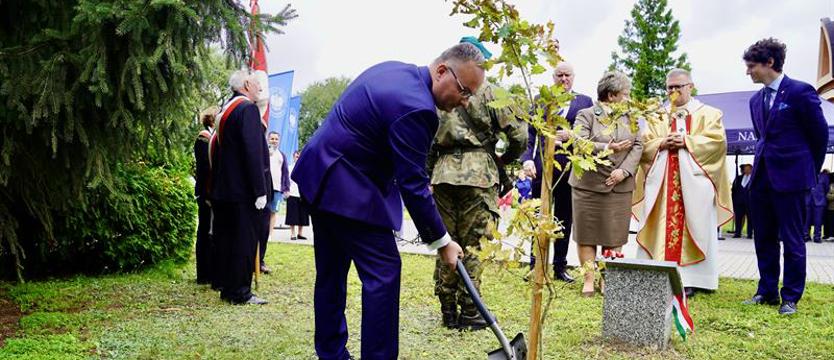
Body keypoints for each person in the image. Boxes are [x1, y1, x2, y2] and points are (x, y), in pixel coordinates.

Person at [292, 42, 482, 359]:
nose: (464, 102)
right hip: (345, 189)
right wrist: (443, 242)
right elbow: (412, 183)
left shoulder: (396, 70)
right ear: (441, 71)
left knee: (331, 274)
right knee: (383, 273)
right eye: (464, 91)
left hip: (321, 176)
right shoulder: (418, 107)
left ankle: (331, 353)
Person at [428, 46, 527, 329]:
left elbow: (427, 139)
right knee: (474, 244)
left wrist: (428, 174)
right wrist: (502, 160)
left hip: (442, 173)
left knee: (446, 241)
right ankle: (471, 311)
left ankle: (447, 307)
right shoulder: (493, 92)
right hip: (479, 175)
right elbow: (519, 136)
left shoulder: (437, 89)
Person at [741, 38, 828, 316]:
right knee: (763, 237)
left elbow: (819, 136)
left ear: (769, 63)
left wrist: (808, 171)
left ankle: (790, 297)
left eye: (751, 66)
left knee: (792, 239)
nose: (748, 72)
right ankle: (766, 290)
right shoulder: (755, 100)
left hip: (793, 179)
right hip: (762, 180)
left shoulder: (801, 92)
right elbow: (762, 137)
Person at [632, 68, 733, 297]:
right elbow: (644, 147)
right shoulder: (657, 116)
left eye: (679, 86)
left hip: (695, 185)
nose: (675, 91)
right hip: (662, 185)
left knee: (696, 226)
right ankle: (656, 273)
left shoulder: (709, 113)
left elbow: (717, 144)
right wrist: (661, 143)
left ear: (691, 86)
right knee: (659, 226)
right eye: (670, 87)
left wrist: (686, 141)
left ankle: (694, 278)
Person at [570, 71, 643, 297]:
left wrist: (624, 171)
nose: (628, 98)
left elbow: (638, 144)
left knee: (614, 235)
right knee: (587, 234)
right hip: (588, 185)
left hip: (619, 186)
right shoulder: (587, 114)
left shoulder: (631, 118)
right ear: (611, 96)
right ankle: (589, 280)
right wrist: (606, 148)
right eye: (626, 94)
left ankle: (607, 279)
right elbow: (578, 142)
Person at [520, 61, 594, 283]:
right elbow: (530, 134)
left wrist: (572, 135)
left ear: (574, 77)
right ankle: (535, 265)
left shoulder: (584, 102)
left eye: (567, 75)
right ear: (553, 77)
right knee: (539, 216)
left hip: (570, 168)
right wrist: (527, 161)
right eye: (559, 75)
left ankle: (560, 267)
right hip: (542, 167)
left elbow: (590, 135)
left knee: (564, 218)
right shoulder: (542, 100)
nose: (563, 79)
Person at [209, 69, 272, 305]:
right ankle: (240, 292)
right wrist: (259, 190)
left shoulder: (227, 109)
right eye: (257, 85)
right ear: (246, 84)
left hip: (226, 187)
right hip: (243, 190)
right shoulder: (247, 109)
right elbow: (252, 152)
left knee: (228, 240)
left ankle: (228, 286)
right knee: (244, 241)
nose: (260, 89)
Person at [194, 107, 217, 286]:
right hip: (206, 191)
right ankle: (204, 274)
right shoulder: (204, 138)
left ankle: (210, 270)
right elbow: (205, 167)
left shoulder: (211, 137)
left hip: (210, 191)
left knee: (210, 231)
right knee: (205, 231)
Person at [261, 131, 289, 274]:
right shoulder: (264, 152)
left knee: (273, 212)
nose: (273, 141)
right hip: (264, 188)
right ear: (268, 139)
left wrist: (286, 188)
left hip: (277, 188)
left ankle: (270, 234)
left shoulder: (281, 155)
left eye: (276, 139)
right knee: (263, 215)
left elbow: (285, 172)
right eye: (271, 138)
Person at [285, 151, 309, 240]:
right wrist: (286, 190)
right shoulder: (290, 168)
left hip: (303, 194)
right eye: (296, 156)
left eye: (299, 156)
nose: (297, 158)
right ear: (293, 157)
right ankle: (292, 233)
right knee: (292, 215)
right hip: (292, 193)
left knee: (303, 215)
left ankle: (300, 233)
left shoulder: (306, 168)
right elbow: (286, 181)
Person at [805, 170, 830, 243]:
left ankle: (817, 236)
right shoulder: (806, 173)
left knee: (818, 220)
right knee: (806, 220)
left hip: (819, 201)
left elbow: (826, 188)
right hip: (808, 200)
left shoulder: (824, 176)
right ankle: (805, 235)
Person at [732, 164, 754, 239]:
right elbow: (734, 190)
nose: (746, 170)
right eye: (745, 169)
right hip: (739, 203)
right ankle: (737, 233)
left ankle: (749, 234)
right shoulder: (738, 178)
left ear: (751, 169)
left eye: (748, 169)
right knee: (738, 218)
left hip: (750, 202)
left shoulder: (754, 178)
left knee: (750, 219)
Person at [825, 173, 834, 241]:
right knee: (830, 222)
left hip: (831, 206)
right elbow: (827, 195)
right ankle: (830, 235)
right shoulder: (830, 185)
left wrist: (831, 195)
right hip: (830, 207)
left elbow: (829, 195)